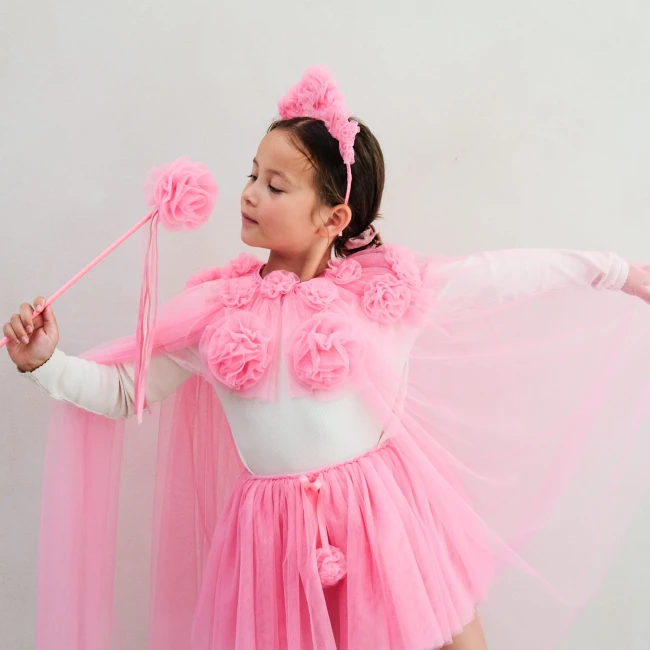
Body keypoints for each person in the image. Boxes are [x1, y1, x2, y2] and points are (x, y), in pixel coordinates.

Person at [5, 67, 650, 650]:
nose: (249, 194)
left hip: (381, 520)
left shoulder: (384, 295)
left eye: (275, 185)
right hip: (275, 543)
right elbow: (127, 391)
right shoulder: (217, 313)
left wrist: (614, 271)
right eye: (252, 176)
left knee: (449, 639)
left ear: (333, 218)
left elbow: (500, 275)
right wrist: (47, 362)